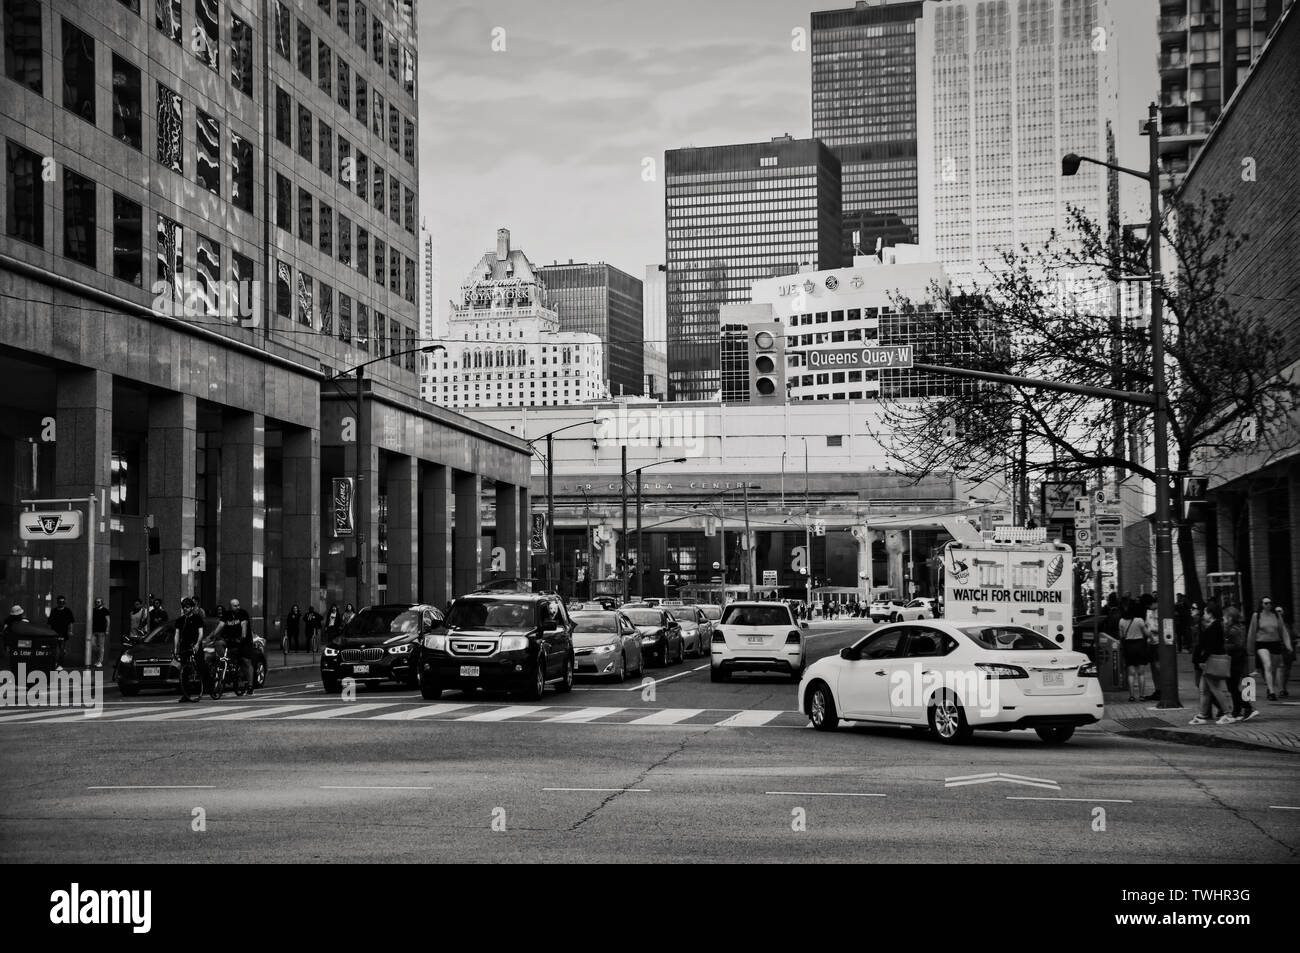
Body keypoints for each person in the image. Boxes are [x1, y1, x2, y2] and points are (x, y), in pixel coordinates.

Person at [1190, 601, 1237, 725]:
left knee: (1216, 689)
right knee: (1204, 689)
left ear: (1210, 614)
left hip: (1212, 661)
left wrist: (1201, 660)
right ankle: (1202, 714)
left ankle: (1228, 714)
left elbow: (1210, 646)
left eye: (1205, 612)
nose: (1203, 614)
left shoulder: (1214, 627)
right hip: (1211, 660)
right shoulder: (1215, 626)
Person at [1247, 597, 1292, 701]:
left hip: (1275, 643)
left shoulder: (1276, 615)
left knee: (1273, 669)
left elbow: (1283, 631)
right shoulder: (1257, 615)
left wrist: (1288, 645)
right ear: (1261, 604)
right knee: (1268, 665)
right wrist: (1250, 648)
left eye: (1270, 603)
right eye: (1266, 603)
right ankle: (1271, 692)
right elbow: (1252, 631)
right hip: (1261, 643)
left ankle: (1269, 687)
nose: (1268, 605)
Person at [1224, 604, 1258, 722]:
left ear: (1230, 617)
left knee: (1232, 686)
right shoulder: (1236, 628)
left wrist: (1225, 646)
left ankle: (1247, 707)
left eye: (1225, 617)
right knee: (1232, 686)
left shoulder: (1234, 629)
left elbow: (1238, 645)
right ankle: (1237, 710)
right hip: (1236, 660)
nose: (1224, 619)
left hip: (1236, 660)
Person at [173, 598, 205, 703]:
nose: (185, 609)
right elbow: (177, 635)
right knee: (184, 670)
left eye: (187, 607)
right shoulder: (180, 620)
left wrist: (197, 644)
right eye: (184, 607)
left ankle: (208, 685)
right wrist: (175, 648)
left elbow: (200, 633)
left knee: (200, 665)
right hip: (184, 646)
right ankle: (186, 694)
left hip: (195, 644)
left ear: (192, 607)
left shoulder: (197, 618)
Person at [1118, 599, 1150, 702]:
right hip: (1140, 645)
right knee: (1141, 673)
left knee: (1131, 673)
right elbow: (1147, 634)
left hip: (1128, 646)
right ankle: (1142, 695)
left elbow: (1121, 635)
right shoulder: (1139, 620)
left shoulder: (1121, 621)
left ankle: (1131, 696)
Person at [227, 598, 254, 695]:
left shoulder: (243, 613)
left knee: (246, 661)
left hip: (245, 641)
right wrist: (211, 636)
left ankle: (250, 685)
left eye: (238, 605)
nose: (238, 607)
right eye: (235, 606)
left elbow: (244, 626)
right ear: (230, 606)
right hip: (233, 641)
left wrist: (242, 637)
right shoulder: (227, 615)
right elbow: (221, 626)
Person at [47, 595, 75, 671]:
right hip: (54, 633)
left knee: (61, 649)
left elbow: (71, 622)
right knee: (55, 649)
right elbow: (49, 622)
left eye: (63, 602)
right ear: (57, 602)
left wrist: (70, 631)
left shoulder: (67, 611)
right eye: (60, 602)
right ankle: (56, 662)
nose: (61, 603)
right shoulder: (54, 611)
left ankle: (60, 664)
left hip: (63, 633)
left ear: (65, 602)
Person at [91, 597, 110, 669]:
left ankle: (100, 661)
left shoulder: (105, 610)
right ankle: (97, 660)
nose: (97, 603)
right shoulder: (93, 610)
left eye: (98, 602)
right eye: (96, 602)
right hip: (93, 631)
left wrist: (107, 630)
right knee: (93, 646)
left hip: (102, 631)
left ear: (102, 602)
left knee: (101, 647)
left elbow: (108, 621)